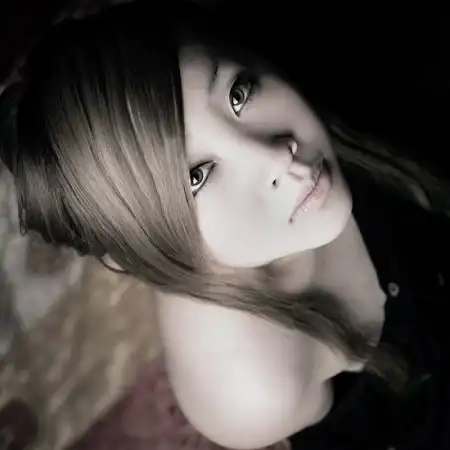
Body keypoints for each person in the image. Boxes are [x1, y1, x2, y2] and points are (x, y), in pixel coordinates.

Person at [0, 1, 449, 448]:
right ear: (141, 249)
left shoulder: (322, 58)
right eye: (196, 177)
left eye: (239, 94)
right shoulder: (251, 390)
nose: (277, 157)